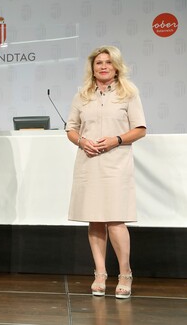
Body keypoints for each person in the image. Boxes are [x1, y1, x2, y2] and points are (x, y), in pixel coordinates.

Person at [65, 45, 146, 299]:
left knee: (116, 220)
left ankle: (125, 274)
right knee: (95, 219)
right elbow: (71, 128)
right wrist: (81, 141)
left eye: (108, 62)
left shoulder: (129, 93)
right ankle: (100, 274)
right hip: (89, 162)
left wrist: (117, 139)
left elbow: (140, 129)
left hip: (116, 162)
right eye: (98, 62)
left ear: (116, 66)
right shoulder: (82, 95)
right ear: (92, 67)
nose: (103, 66)